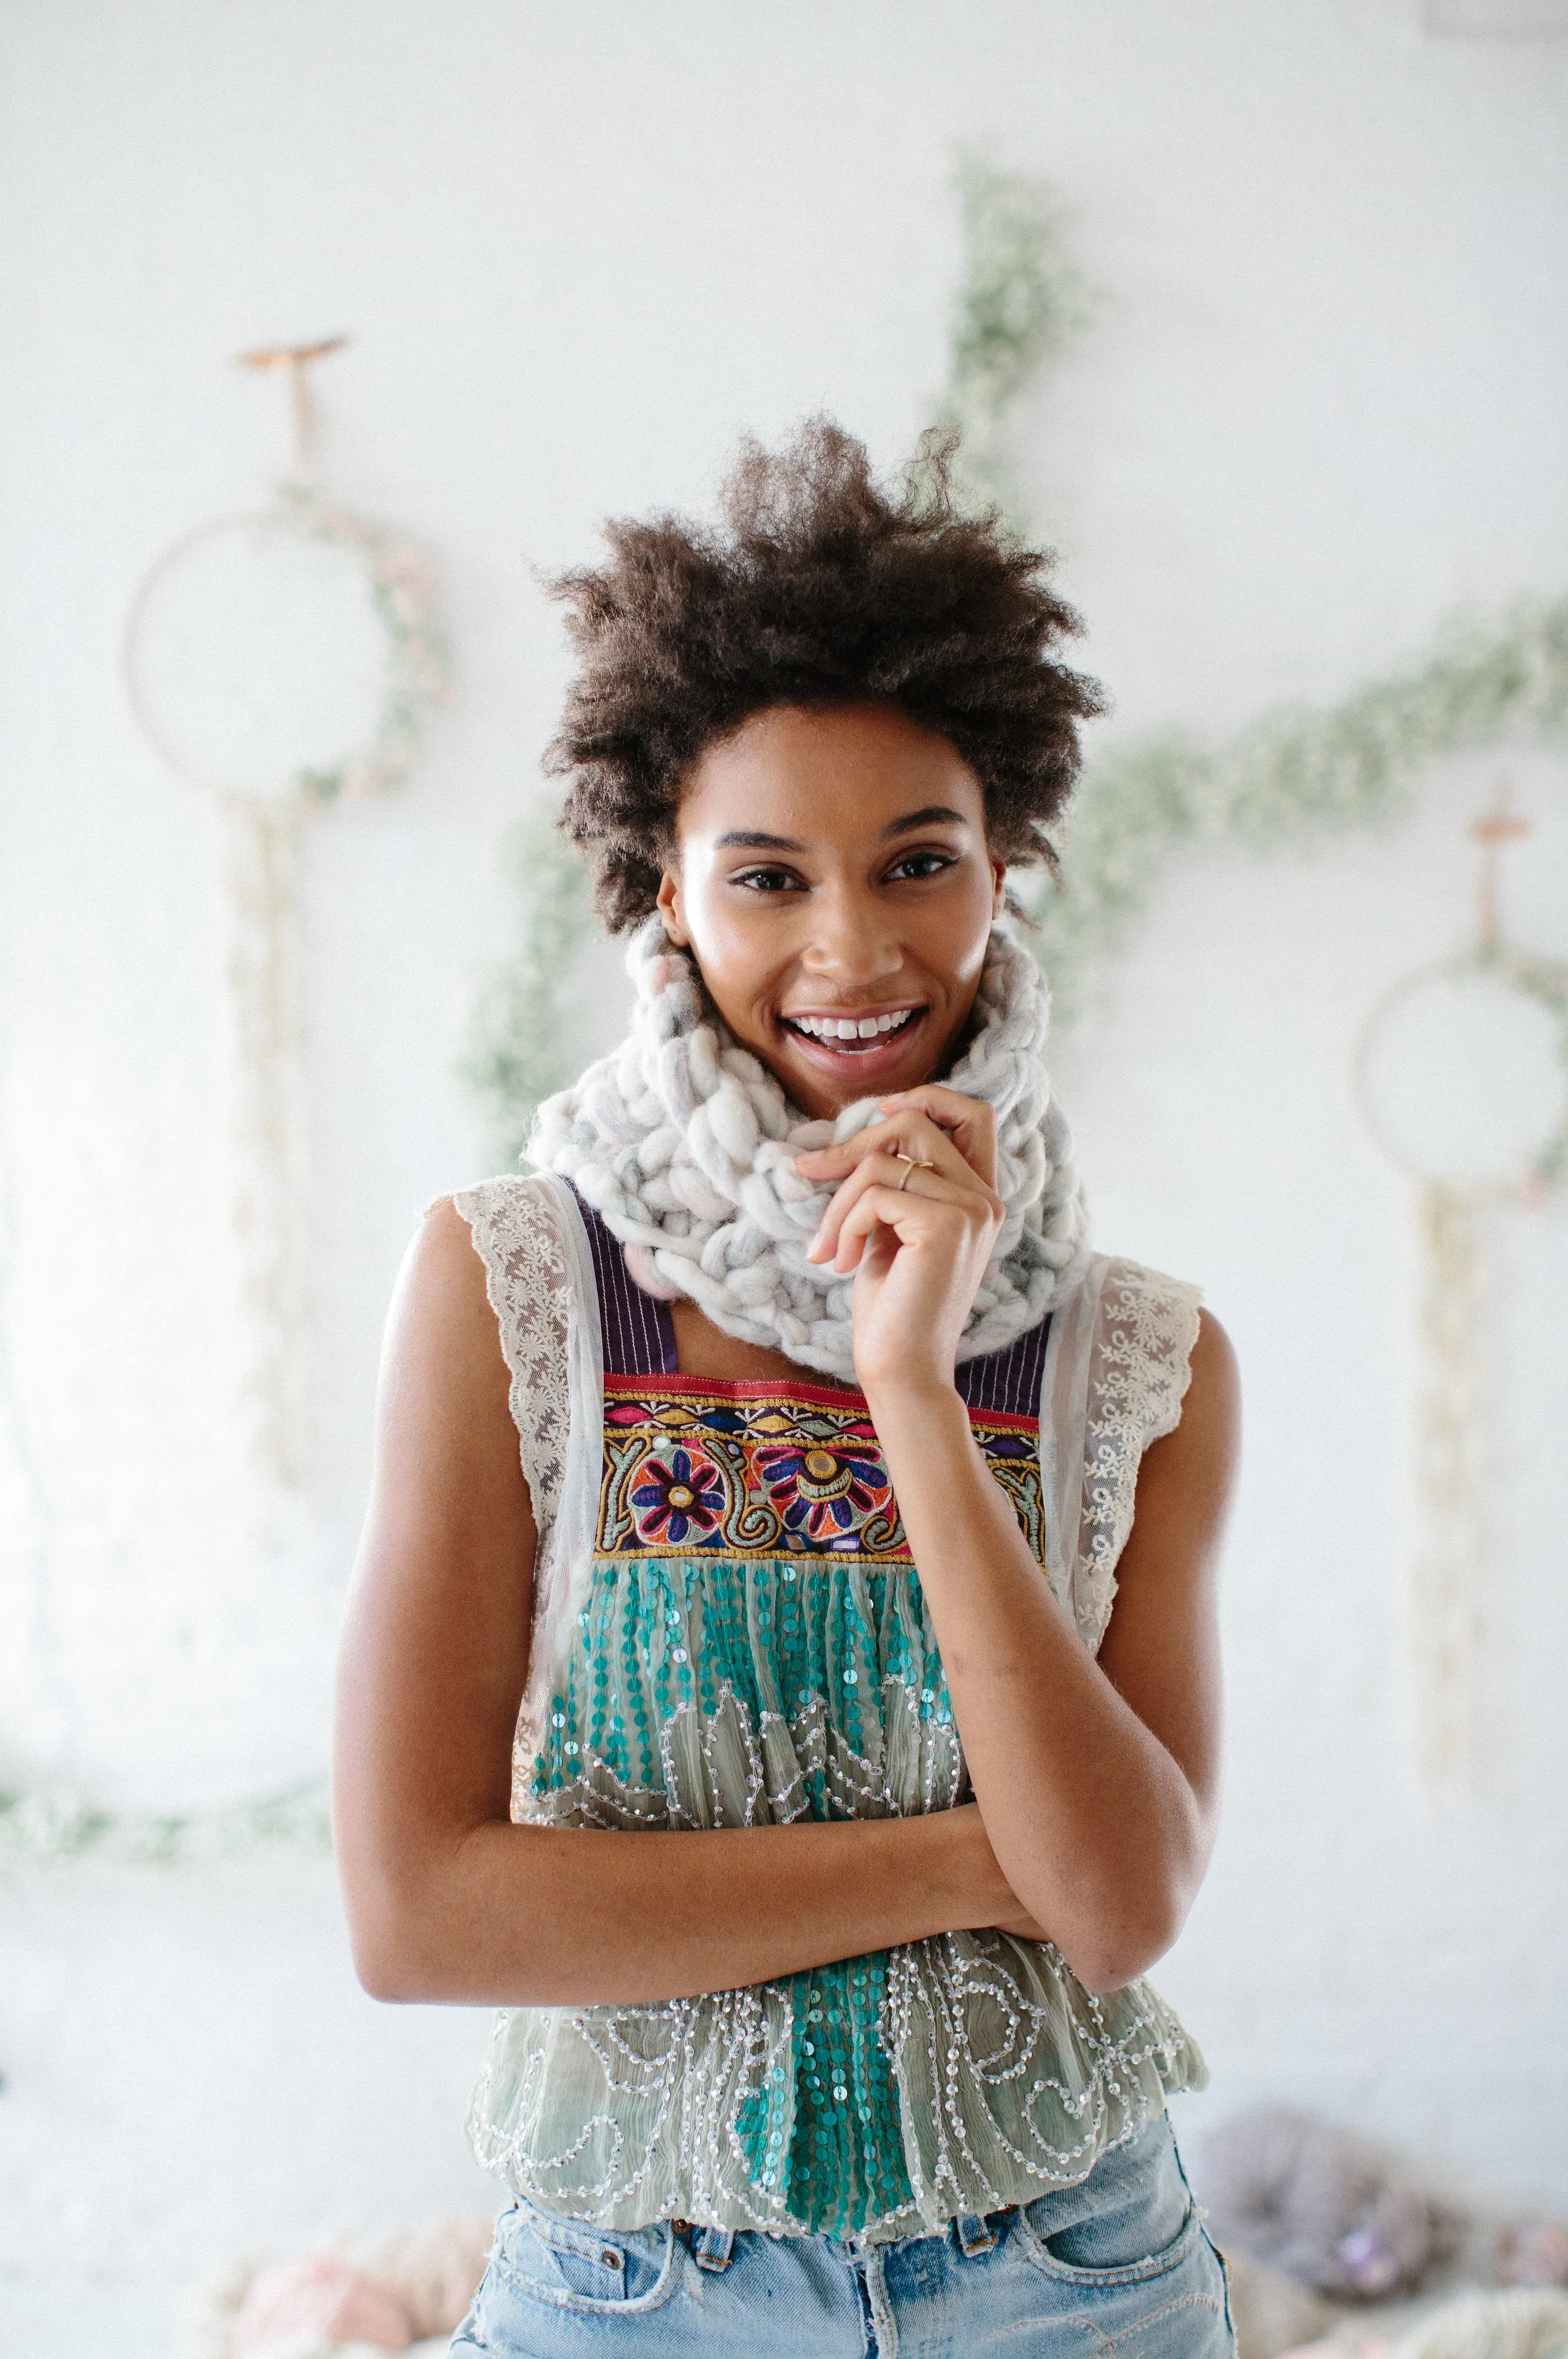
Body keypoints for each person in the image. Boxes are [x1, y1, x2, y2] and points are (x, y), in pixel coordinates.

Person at [334, 421, 1241, 2358]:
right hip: (628, 2294)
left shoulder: (1136, 1358)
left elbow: (1119, 1916)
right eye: (769, 878)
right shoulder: (518, 1291)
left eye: (922, 862)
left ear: (1007, 868)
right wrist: (971, 1864)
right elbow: (420, 1913)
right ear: (662, 892)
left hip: (1073, 2288)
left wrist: (912, 1377)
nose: (853, 950)